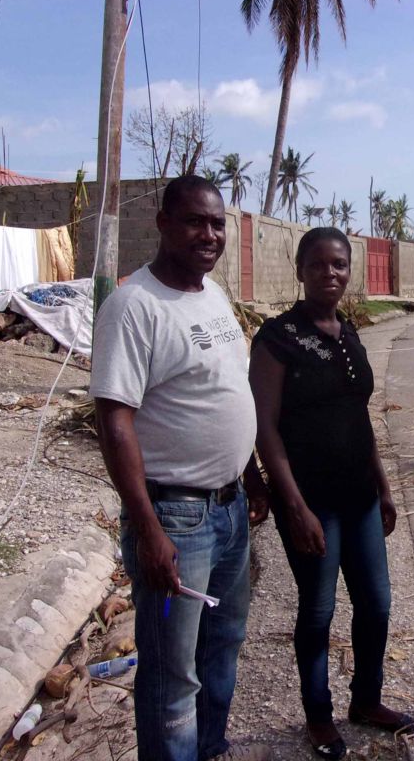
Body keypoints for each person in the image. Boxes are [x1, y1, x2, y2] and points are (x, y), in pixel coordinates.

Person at [90, 175, 272, 761]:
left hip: (229, 511)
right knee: (173, 678)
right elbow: (114, 422)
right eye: (195, 221)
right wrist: (148, 530)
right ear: (163, 223)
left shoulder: (212, 294)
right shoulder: (133, 307)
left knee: (223, 646)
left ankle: (209, 747)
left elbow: (225, 391)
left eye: (217, 223)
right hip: (176, 520)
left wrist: (250, 477)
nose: (209, 234)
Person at [249, 227, 414, 760]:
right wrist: (293, 505)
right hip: (311, 501)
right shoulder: (277, 338)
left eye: (339, 264)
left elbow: (358, 418)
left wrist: (383, 487)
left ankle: (366, 700)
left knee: (377, 603)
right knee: (319, 610)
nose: (330, 273)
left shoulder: (350, 333)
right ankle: (318, 717)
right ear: (300, 270)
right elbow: (264, 428)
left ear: (349, 270)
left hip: (359, 497)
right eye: (318, 264)